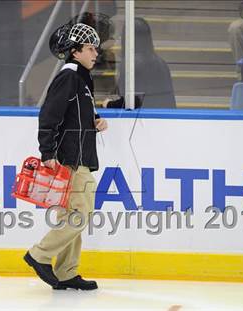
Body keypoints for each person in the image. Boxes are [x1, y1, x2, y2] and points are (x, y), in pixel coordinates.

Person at [23, 20, 108, 291]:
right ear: (75, 51)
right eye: (90, 48)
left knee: (72, 216)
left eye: (96, 49)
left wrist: (95, 119)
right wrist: (47, 152)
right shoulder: (69, 75)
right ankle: (39, 254)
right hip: (70, 160)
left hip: (79, 156)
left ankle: (66, 272)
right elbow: (49, 115)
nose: (96, 53)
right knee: (80, 215)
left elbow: (74, 113)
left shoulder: (81, 78)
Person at [103, 17, 176, 109]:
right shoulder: (161, 62)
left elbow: (132, 100)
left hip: (143, 117)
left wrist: (109, 104)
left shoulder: (131, 63)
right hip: (163, 117)